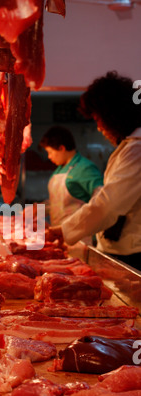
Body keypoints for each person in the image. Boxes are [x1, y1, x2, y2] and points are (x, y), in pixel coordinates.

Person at [50, 71, 141, 270]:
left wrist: (65, 230)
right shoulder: (129, 146)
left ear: (114, 116)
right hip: (118, 248)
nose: (99, 128)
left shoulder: (137, 149)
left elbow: (108, 204)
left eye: (98, 119)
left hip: (132, 254)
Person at [39, 125, 103, 227]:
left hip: (81, 234)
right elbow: (59, 204)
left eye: (50, 152)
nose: (49, 156)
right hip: (59, 233)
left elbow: (101, 200)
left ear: (62, 148)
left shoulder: (85, 168)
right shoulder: (59, 170)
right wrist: (38, 210)